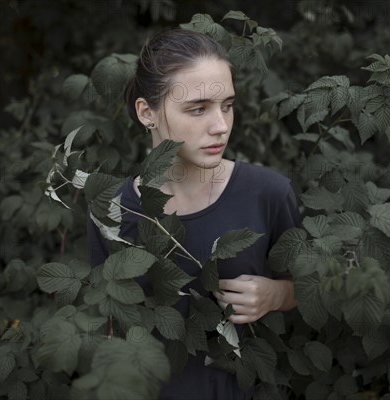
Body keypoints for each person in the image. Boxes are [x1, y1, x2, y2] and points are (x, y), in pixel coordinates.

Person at [87, 27, 300, 400]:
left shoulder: (267, 193)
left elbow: (310, 289)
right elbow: (107, 327)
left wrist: (277, 295)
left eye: (228, 105)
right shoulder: (112, 211)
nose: (220, 126)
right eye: (198, 108)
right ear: (147, 112)